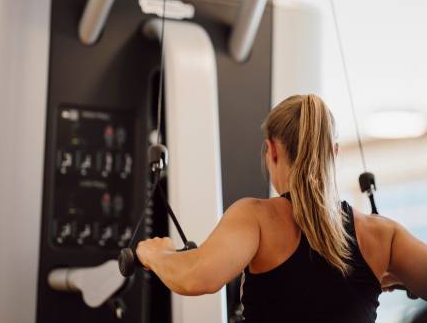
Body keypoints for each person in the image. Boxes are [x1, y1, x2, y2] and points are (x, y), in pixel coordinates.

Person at [136, 94, 427, 322]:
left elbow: (194, 276)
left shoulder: (256, 218)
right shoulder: (382, 235)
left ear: (272, 150)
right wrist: (393, 275)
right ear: (334, 153)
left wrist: (155, 253)